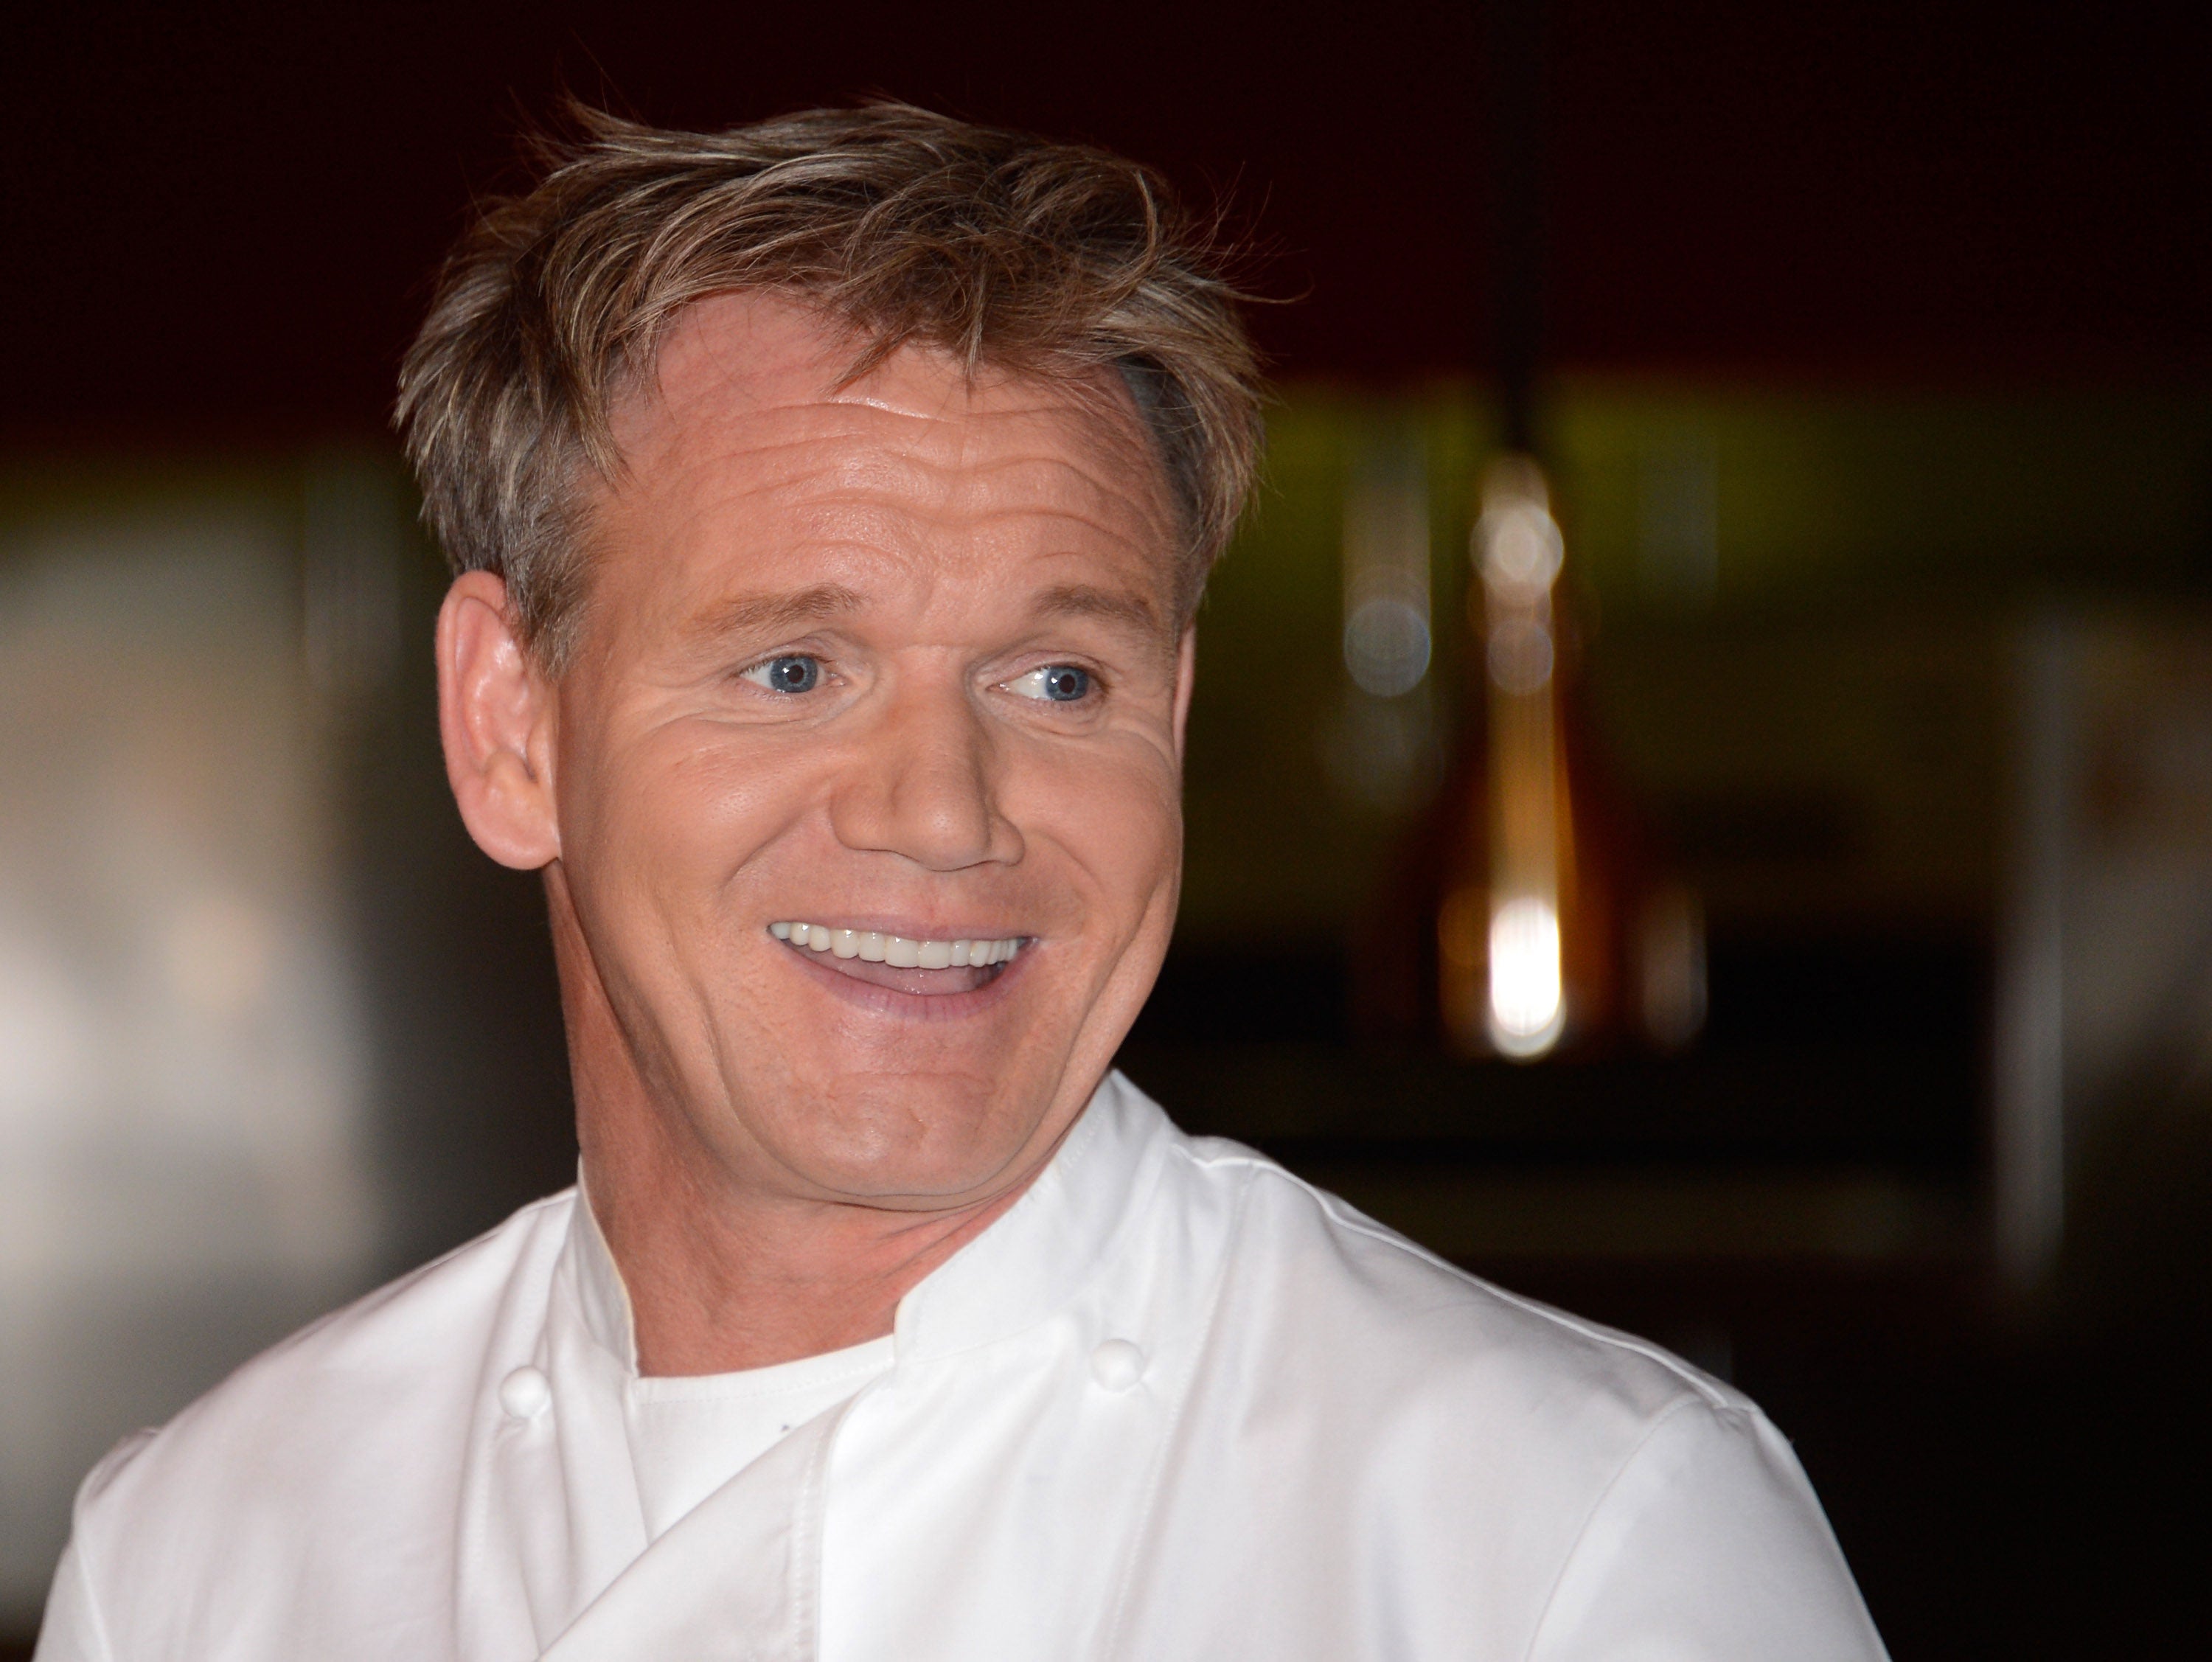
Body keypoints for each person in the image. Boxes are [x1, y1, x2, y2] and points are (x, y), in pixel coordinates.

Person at [34, 104, 1888, 1661]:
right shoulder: (212, 1554)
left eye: (1057, 678)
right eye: (794, 668)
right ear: (512, 725)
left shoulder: (1569, 1545)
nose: (946, 812)